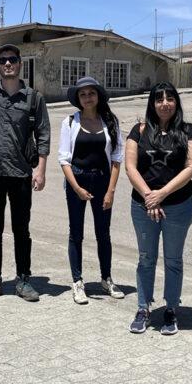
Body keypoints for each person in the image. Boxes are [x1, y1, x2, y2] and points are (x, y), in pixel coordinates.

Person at [0, 44, 50, 302]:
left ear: (20, 64)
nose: (7, 64)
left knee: (21, 229)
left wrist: (41, 171)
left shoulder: (33, 98)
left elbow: (44, 135)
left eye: (12, 59)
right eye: (3, 60)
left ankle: (24, 280)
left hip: (20, 173)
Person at [125, 81, 192, 335]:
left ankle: (170, 309)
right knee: (146, 259)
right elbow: (130, 167)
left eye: (170, 99)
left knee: (173, 260)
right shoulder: (139, 130)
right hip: (143, 206)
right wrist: (149, 196)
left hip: (178, 207)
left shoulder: (189, 131)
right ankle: (143, 308)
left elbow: (190, 169)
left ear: (176, 102)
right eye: (159, 99)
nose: (165, 104)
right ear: (152, 103)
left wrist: (163, 194)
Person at [59, 77, 126, 304]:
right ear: (78, 99)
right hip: (76, 181)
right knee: (76, 233)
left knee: (103, 233)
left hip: (102, 182)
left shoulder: (111, 122)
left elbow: (117, 159)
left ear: (98, 96)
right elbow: (64, 159)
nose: (87, 98)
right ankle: (78, 282)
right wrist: (76, 187)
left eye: (91, 93)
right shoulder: (70, 122)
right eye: (83, 94)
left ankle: (106, 279)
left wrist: (111, 191)